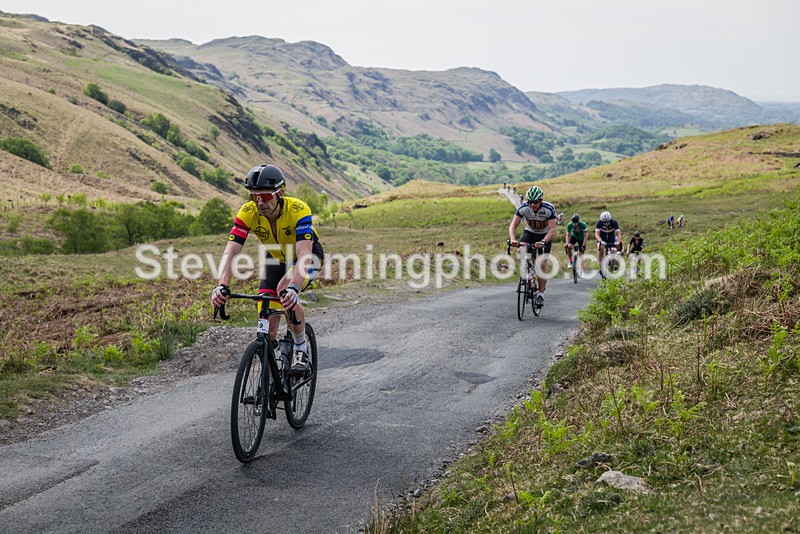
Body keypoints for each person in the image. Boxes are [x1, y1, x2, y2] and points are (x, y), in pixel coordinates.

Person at [210, 164, 324, 375]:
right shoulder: (248, 212)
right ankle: (268, 383)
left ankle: (300, 347)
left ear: (280, 193)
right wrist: (222, 285)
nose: (259, 202)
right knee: (267, 325)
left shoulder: (298, 210)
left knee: (284, 290)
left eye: (265, 196)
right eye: (254, 196)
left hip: (307, 257)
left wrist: (294, 288)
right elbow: (230, 252)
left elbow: (304, 256)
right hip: (275, 258)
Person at [508, 186, 557, 305]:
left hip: (544, 235)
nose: (532, 205)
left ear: (540, 201)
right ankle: (528, 271)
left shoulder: (549, 209)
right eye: (530, 202)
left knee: (542, 263)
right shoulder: (524, 208)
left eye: (535, 202)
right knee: (520, 251)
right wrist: (513, 239)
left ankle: (540, 293)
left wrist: (544, 242)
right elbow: (513, 226)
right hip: (529, 232)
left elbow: (552, 230)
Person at [595, 211, 621, 278]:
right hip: (602, 238)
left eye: (607, 221)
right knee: (601, 248)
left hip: (611, 238)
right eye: (604, 222)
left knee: (613, 251)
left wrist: (617, 241)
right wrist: (600, 241)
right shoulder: (599, 223)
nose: (606, 223)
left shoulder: (614, 222)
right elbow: (597, 234)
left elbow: (618, 234)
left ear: (610, 220)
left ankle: (613, 264)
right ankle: (600, 265)